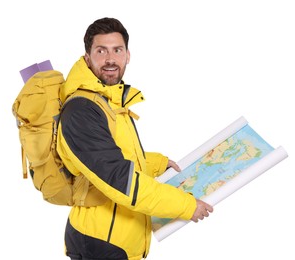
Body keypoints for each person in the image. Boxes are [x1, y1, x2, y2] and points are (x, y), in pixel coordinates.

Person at [56, 17, 213, 260]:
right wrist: (186, 206)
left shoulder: (108, 100)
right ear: (87, 58)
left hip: (118, 239)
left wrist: (156, 164)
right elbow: (119, 178)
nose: (110, 59)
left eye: (117, 50)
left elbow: (112, 156)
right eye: (101, 51)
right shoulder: (82, 110)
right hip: (101, 243)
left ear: (127, 55)